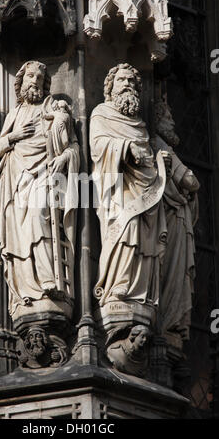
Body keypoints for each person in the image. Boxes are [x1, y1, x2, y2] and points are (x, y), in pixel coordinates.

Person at [0, 61, 79, 318]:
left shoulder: (51, 107)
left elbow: (72, 145)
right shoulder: (14, 115)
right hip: (16, 178)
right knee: (18, 230)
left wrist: (65, 157)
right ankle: (24, 288)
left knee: (39, 215)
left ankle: (47, 278)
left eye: (40, 79)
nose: (35, 82)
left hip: (45, 172)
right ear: (21, 81)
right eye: (30, 77)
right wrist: (13, 136)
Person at [90, 63, 167, 307]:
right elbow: (97, 146)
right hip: (117, 185)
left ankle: (140, 289)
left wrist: (158, 161)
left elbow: (146, 154)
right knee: (127, 226)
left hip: (145, 186)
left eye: (131, 81)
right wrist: (125, 148)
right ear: (110, 87)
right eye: (121, 80)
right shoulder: (101, 113)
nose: (127, 85)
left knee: (145, 237)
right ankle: (117, 284)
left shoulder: (141, 125)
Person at [154, 98, 200, 340]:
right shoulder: (159, 143)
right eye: (167, 117)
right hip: (170, 220)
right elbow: (191, 181)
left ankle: (172, 323)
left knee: (175, 273)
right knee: (172, 272)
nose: (172, 121)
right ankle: (171, 321)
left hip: (176, 217)